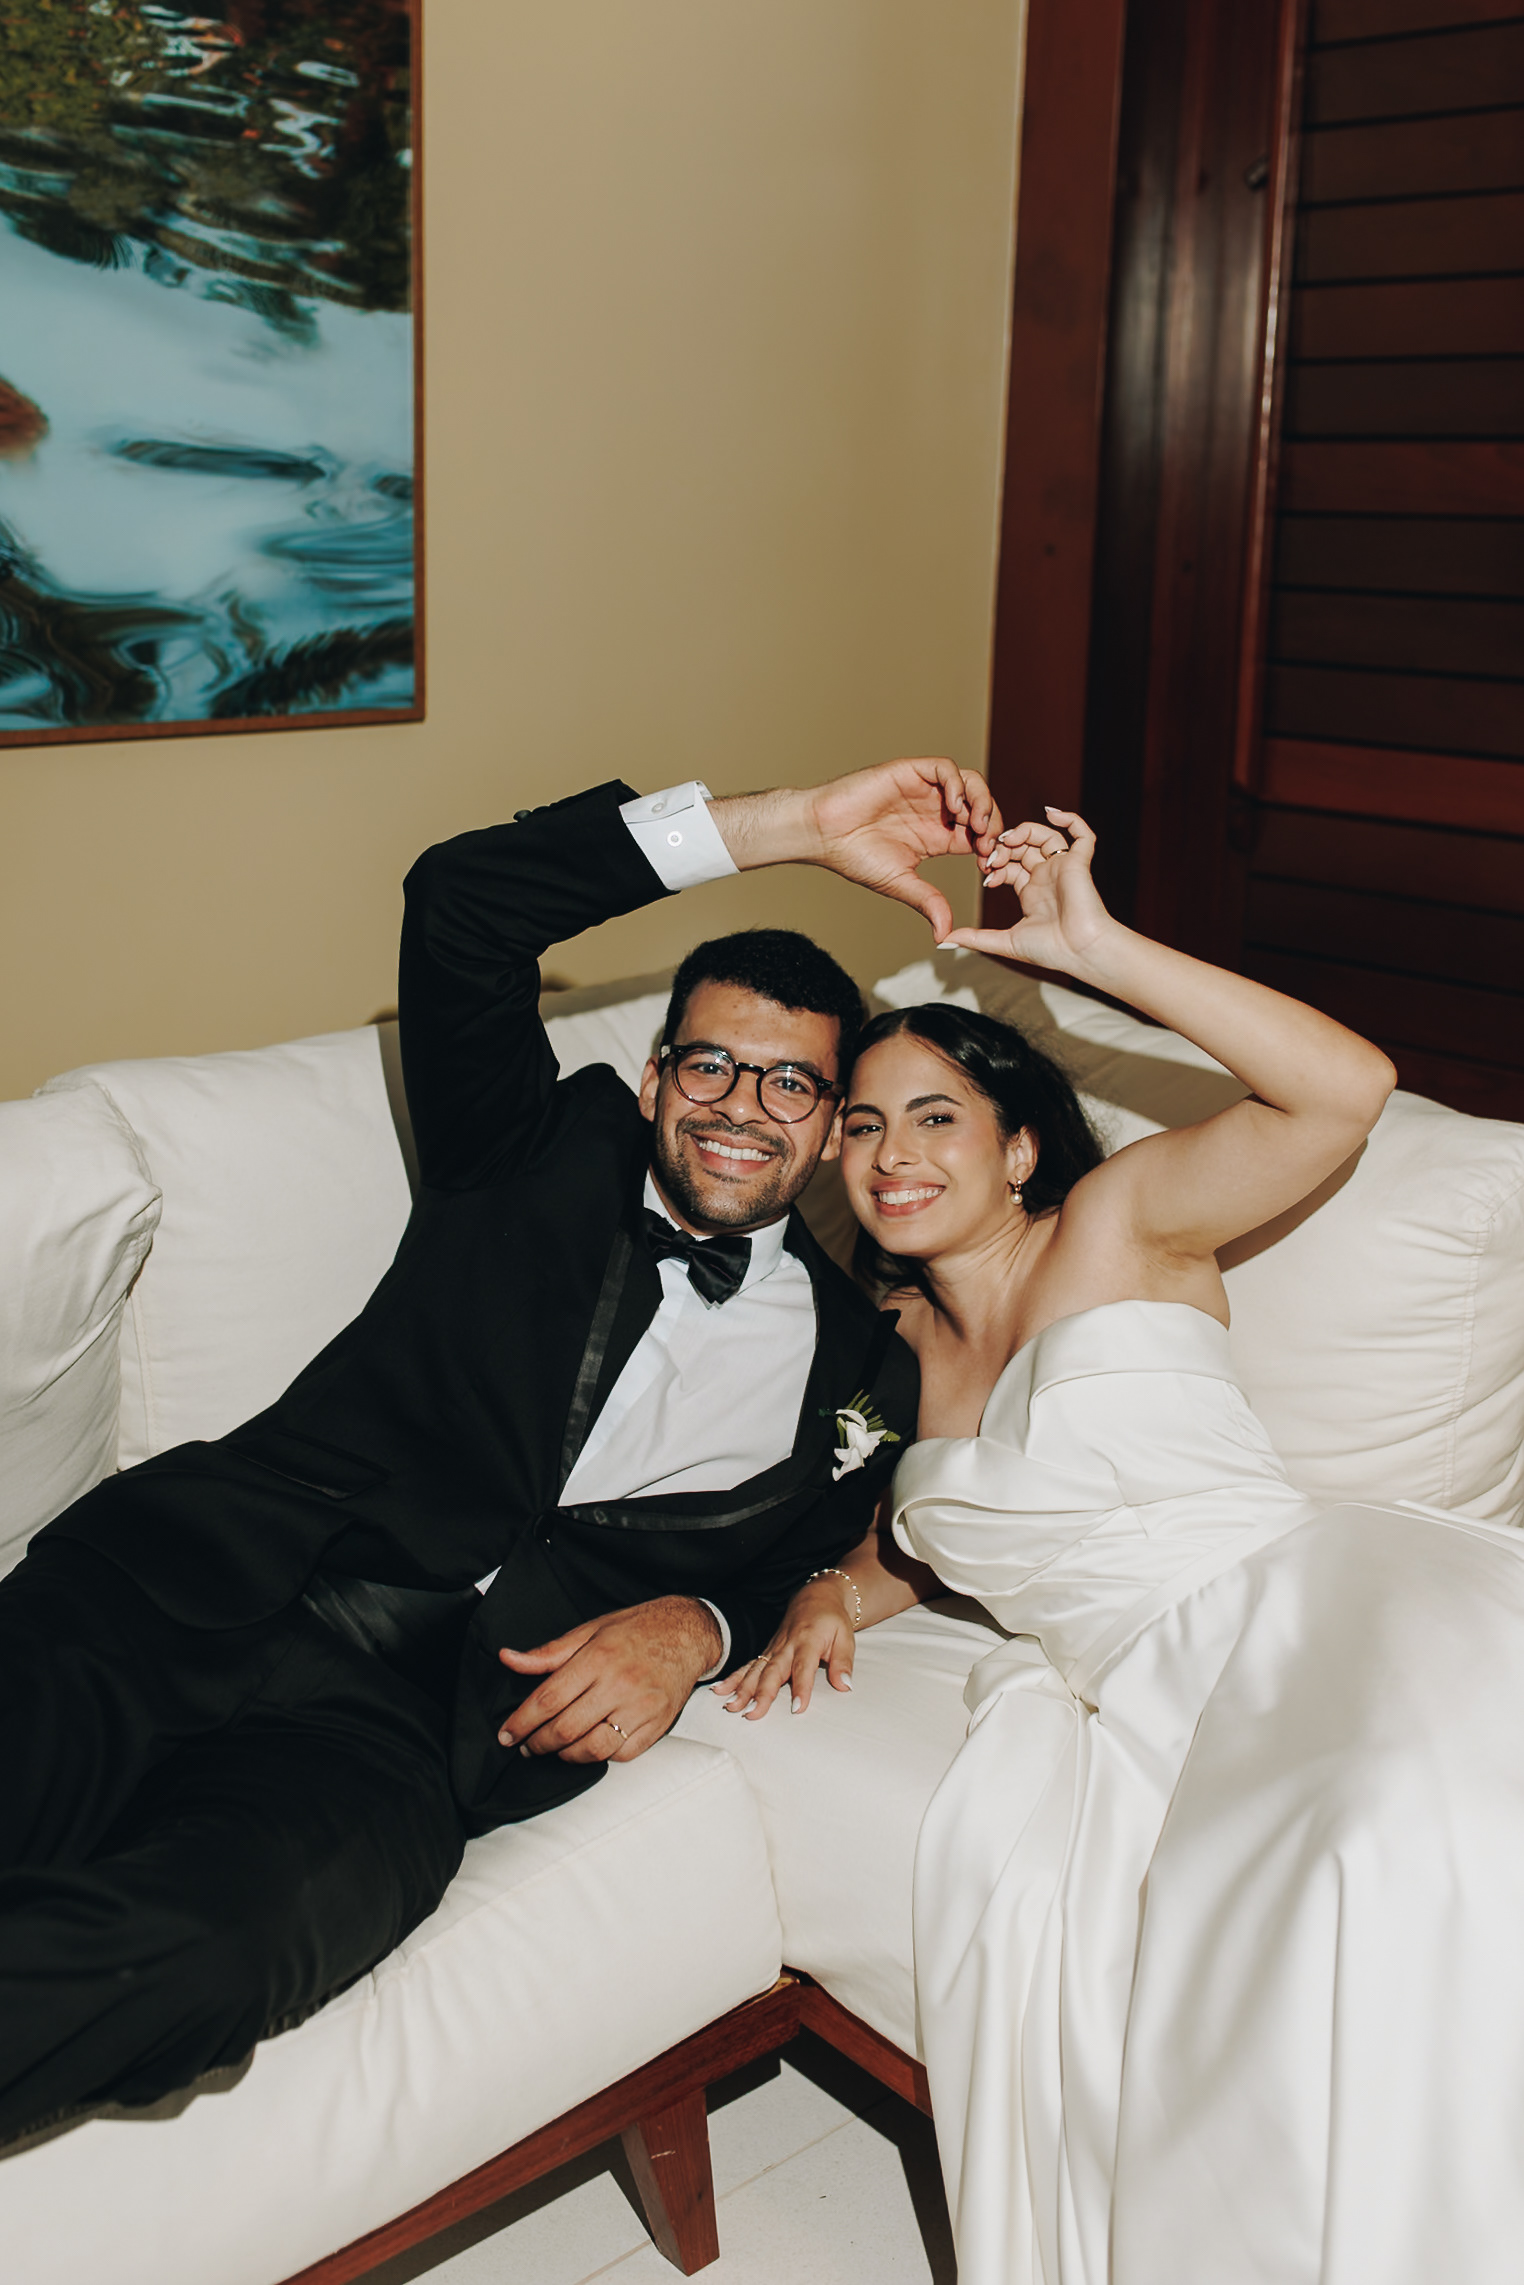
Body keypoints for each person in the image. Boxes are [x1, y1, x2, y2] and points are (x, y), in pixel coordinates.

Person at [0, 757, 1004, 2146]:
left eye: (791, 1084)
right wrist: (782, 828)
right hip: (182, 1590)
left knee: (207, 1957)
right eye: (709, 1063)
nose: (739, 1104)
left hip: (405, 1736)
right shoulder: (536, 1148)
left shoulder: (868, 1372)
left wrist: (699, 1628)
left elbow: (805, 1558)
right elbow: (461, 902)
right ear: (651, 1079)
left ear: (835, 1129)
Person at [720, 806, 1524, 2283]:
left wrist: (1099, 949)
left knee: (1387, 1836)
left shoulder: (1118, 1223)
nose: (892, 1153)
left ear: (1019, 1144)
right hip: (1128, 1694)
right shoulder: (889, 1343)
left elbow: (1347, 1091)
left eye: (936, 1116)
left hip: (1295, 1612)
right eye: (864, 1124)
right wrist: (836, 1588)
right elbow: (931, 1535)